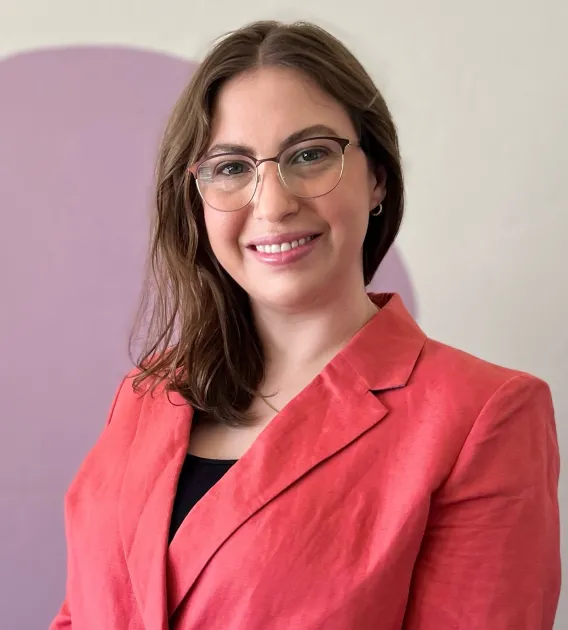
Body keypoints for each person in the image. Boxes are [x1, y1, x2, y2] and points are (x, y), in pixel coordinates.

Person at [50, 20, 561, 630]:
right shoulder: (145, 395)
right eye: (231, 167)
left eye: (310, 155)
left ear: (376, 178)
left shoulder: (483, 416)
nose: (272, 204)